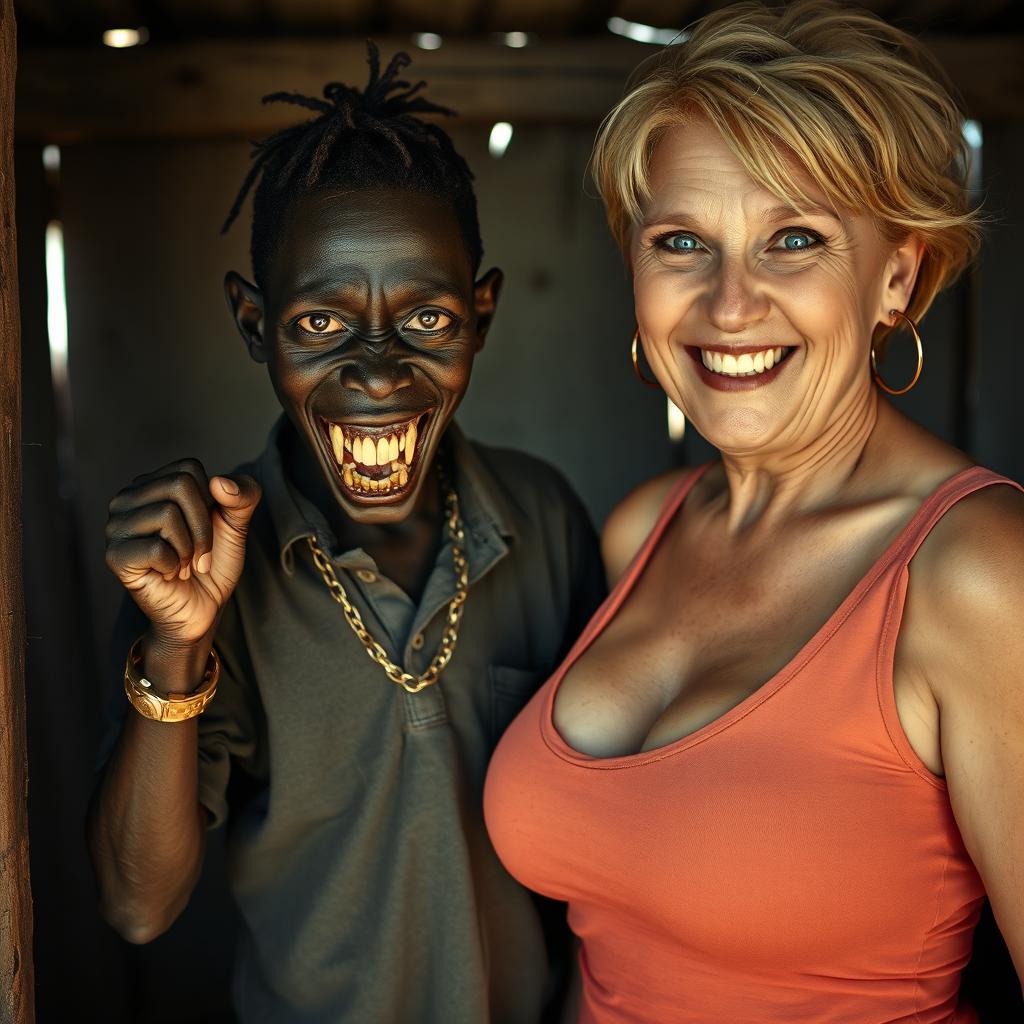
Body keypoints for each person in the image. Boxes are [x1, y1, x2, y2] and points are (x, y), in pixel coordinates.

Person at [483, 3, 1024, 1021]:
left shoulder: (978, 573)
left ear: (895, 276)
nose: (730, 304)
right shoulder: (645, 528)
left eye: (794, 240)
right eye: (683, 240)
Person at [89, 45, 604, 1024]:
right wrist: (174, 642)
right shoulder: (203, 569)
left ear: (481, 316)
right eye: (320, 323)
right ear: (256, 324)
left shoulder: (543, 520)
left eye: (427, 318)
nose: (376, 370)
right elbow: (137, 904)